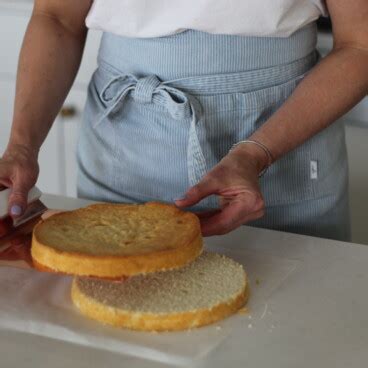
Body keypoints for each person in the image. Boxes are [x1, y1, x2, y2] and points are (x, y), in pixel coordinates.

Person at [0, 0, 367, 240]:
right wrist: (20, 146)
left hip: (285, 140)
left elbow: (360, 43)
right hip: (126, 147)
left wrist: (256, 154)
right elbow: (57, 18)